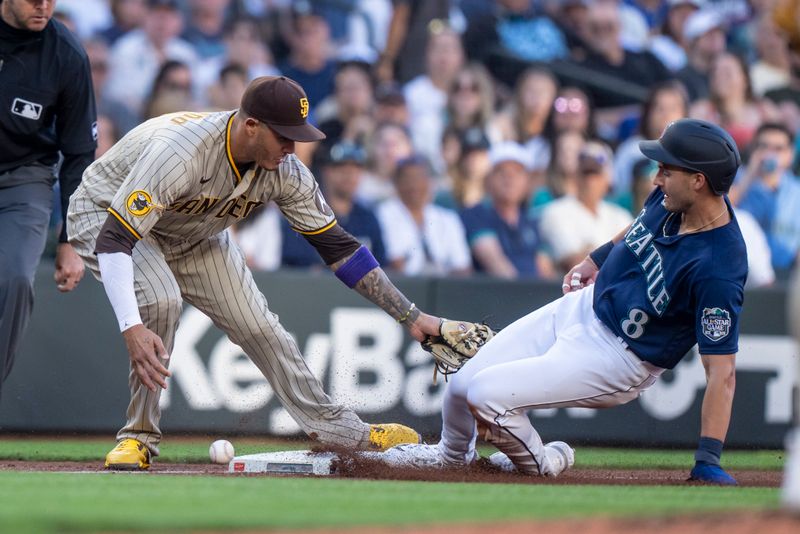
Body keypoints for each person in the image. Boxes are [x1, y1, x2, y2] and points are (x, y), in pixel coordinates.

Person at [67, 76, 443, 470]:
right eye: (283, 136)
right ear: (251, 126)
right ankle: (138, 437)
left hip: (194, 232)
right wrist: (131, 326)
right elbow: (115, 239)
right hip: (106, 215)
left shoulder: (285, 170)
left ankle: (342, 433)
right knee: (160, 299)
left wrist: (410, 316)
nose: (291, 148)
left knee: (260, 327)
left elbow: (339, 248)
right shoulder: (182, 153)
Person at [382, 118, 746, 486]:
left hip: (619, 356)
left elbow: (722, 372)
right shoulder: (674, 199)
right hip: (583, 307)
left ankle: (545, 461)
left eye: (666, 170)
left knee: (486, 397)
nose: (656, 178)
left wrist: (708, 458)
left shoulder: (719, 266)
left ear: (698, 180)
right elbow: (638, 225)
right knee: (461, 384)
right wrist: (597, 259)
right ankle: (452, 457)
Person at [0, 0, 96, 401]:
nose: (43, 5)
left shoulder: (66, 53)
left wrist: (70, 239)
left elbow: (78, 154)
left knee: (16, 279)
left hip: (24, 178)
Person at [539, 140, 633, 273]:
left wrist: (591, 251)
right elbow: (574, 261)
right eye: (585, 173)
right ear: (575, 176)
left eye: (595, 174)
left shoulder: (620, 215)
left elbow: (633, 258)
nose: (590, 181)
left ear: (607, 178)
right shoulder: (556, 211)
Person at [734, 122, 800, 273]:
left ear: (790, 155)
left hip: (789, 271)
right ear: (753, 150)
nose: (770, 153)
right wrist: (750, 174)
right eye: (763, 147)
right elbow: (720, 209)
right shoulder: (737, 181)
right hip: (745, 271)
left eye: (778, 149)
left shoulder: (797, 191)